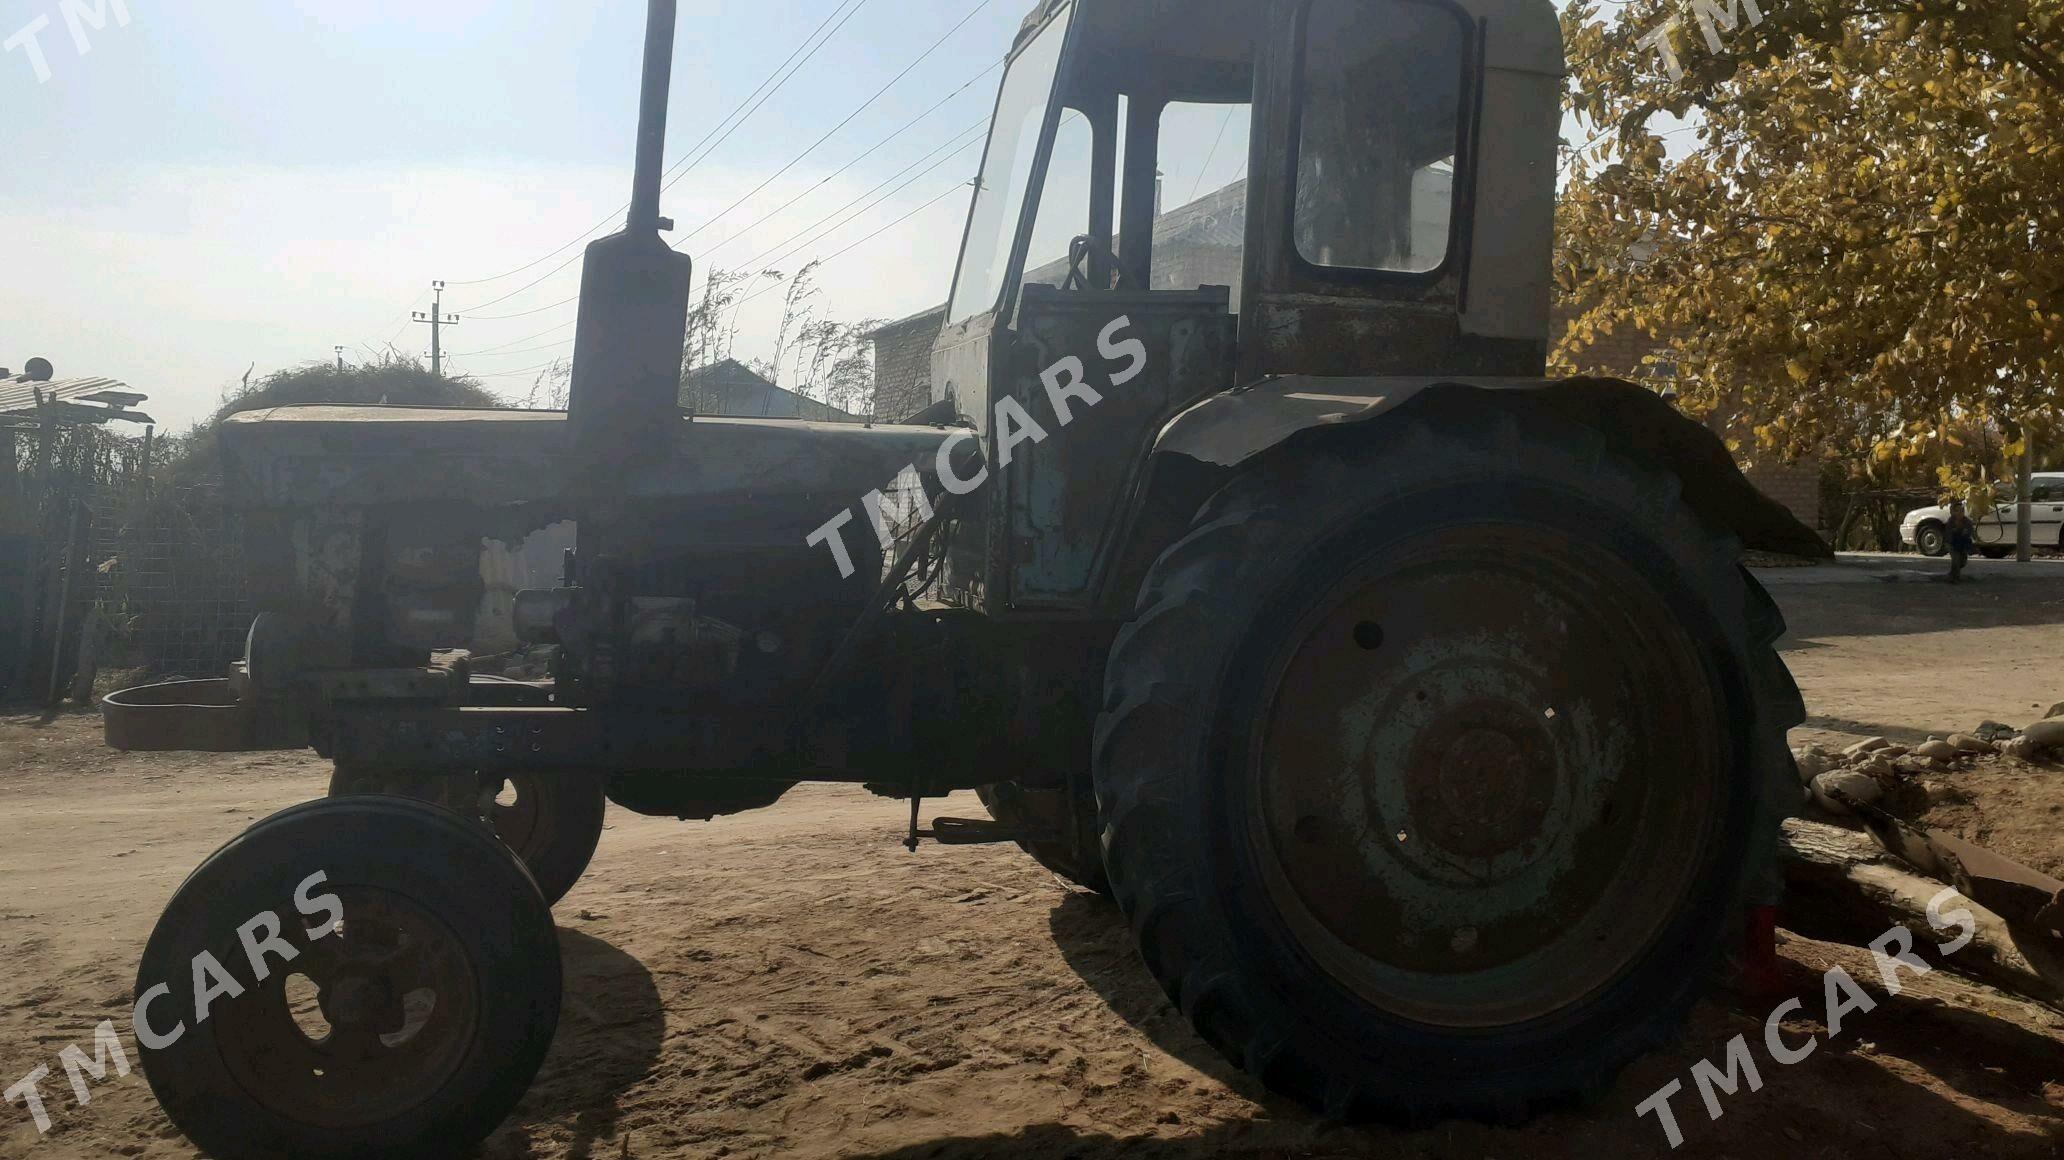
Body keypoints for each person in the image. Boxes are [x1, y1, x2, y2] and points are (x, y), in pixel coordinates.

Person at [1946, 499, 1976, 583]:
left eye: (1962, 511)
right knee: (1956, 559)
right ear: (1953, 512)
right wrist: (1954, 531)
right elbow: (1948, 533)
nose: (1960, 513)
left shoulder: (1967, 522)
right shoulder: (1951, 521)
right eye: (1957, 511)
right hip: (1952, 544)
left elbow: (1972, 532)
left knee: (1962, 562)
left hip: (1962, 544)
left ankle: (1952, 574)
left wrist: (1974, 538)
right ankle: (1955, 578)